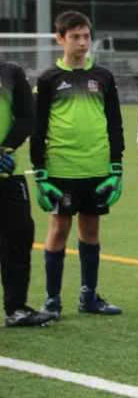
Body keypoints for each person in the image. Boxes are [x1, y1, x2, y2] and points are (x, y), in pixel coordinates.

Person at [30, 10, 124, 318]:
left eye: (86, 36)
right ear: (61, 39)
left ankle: (89, 296)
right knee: (59, 228)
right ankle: (52, 300)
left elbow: (115, 124)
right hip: (62, 168)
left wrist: (116, 166)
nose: (82, 43)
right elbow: (37, 128)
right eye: (75, 37)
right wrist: (40, 172)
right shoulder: (48, 79)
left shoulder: (103, 77)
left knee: (91, 228)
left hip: (96, 168)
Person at [1, 59, 53, 327]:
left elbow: (27, 117)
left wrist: (5, 149)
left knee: (19, 237)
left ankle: (17, 309)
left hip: (8, 172)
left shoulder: (11, 73)